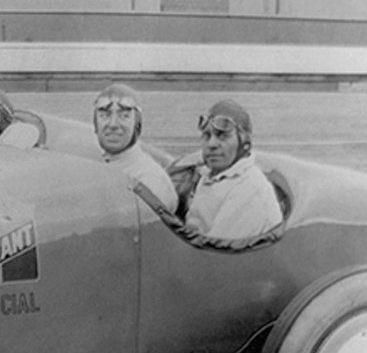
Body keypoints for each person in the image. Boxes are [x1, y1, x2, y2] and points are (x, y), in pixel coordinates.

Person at [182, 99, 283, 240]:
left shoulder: (248, 188)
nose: (211, 144)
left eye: (222, 136)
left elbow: (214, 255)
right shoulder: (211, 174)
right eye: (206, 135)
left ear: (243, 143)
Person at [92, 83, 178, 214]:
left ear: (137, 125)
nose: (113, 124)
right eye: (105, 115)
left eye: (124, 116)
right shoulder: (98, 166)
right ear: (95, 124)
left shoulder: (150, 179)